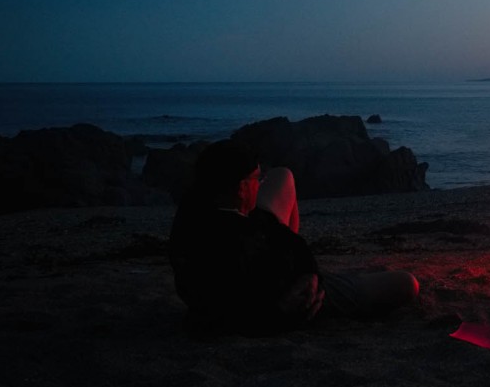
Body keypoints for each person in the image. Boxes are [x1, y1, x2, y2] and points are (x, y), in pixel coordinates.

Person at [169, 139, 419, 334]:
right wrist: (298, 292)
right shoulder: (240, 243)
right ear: (240, 187)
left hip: (269, 276)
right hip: (281, 298)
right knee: (406, 283)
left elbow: (287, 241)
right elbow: (243, 312)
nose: (260, 183)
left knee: (283, 176)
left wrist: (309, 268)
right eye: (256, 179)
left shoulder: (196, 210)